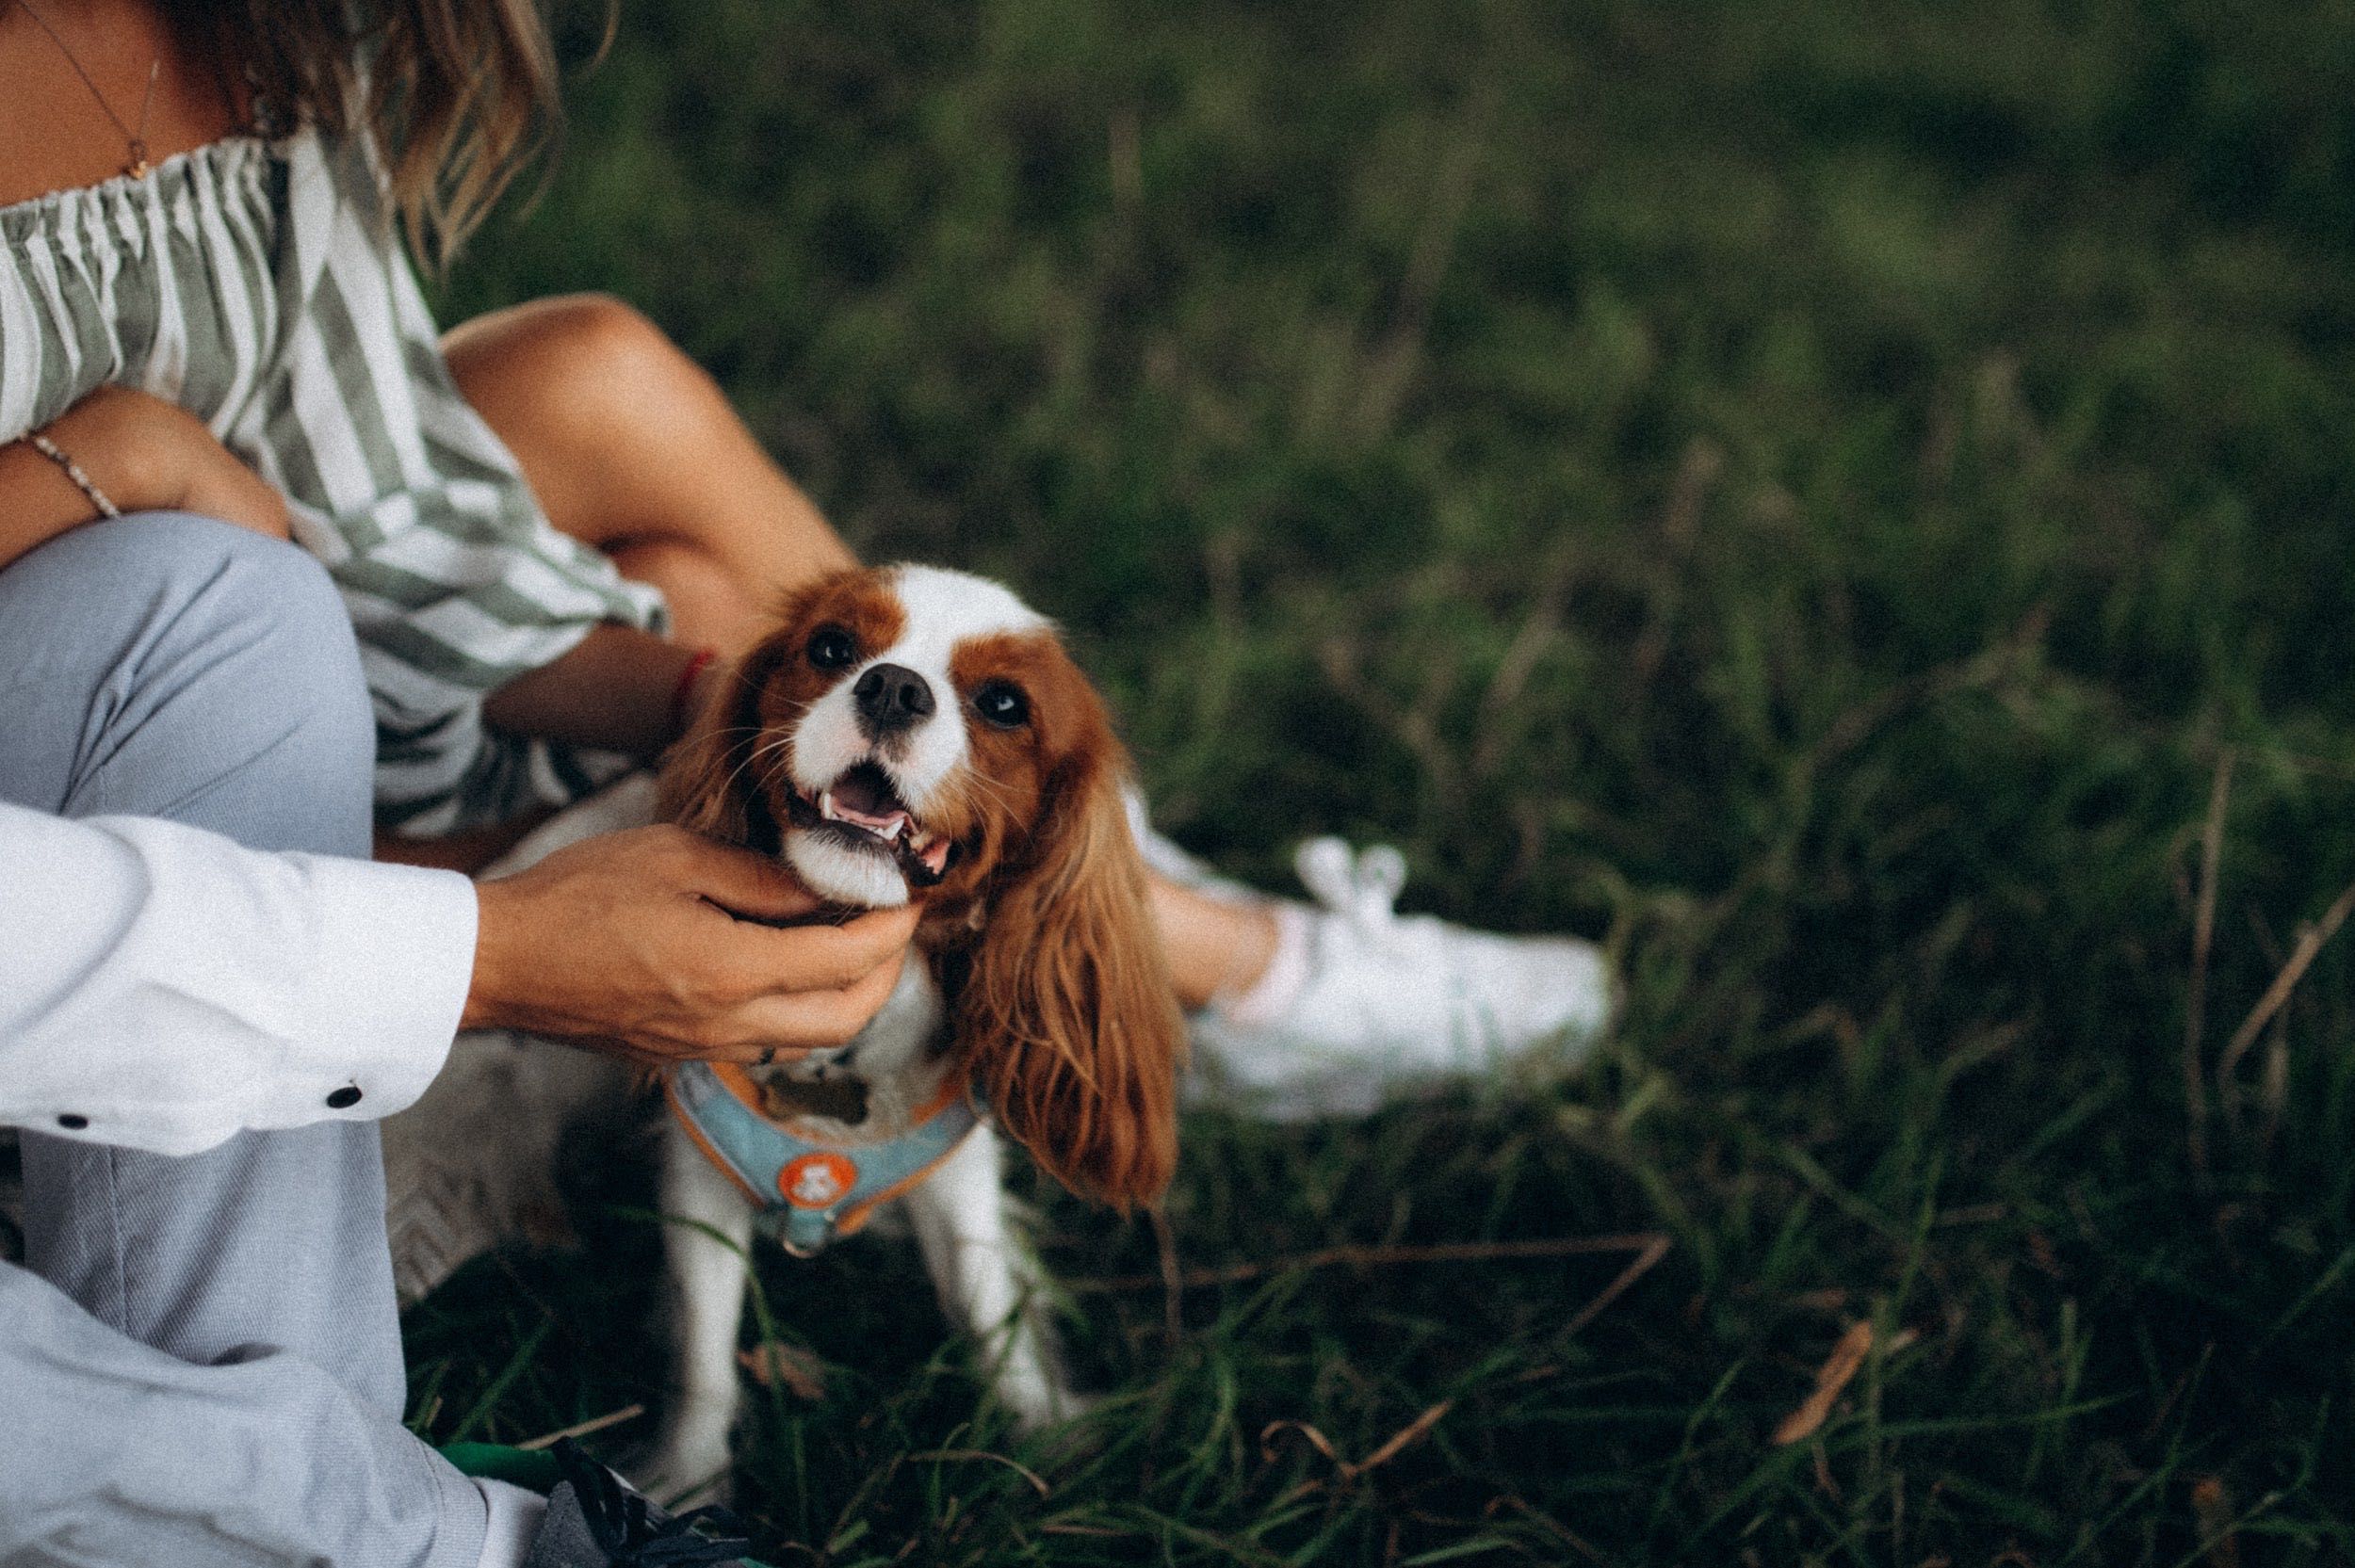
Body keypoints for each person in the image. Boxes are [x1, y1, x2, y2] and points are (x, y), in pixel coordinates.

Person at [0, 2, 1612, 1563]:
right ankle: (1193, 956)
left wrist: (761, 713)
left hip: (276, 568)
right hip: (107, 715)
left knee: (612, 402)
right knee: (650, 623)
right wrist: (126, 469)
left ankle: (1125, 908)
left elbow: (389, 508)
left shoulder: (276, 23)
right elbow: (241, 551)